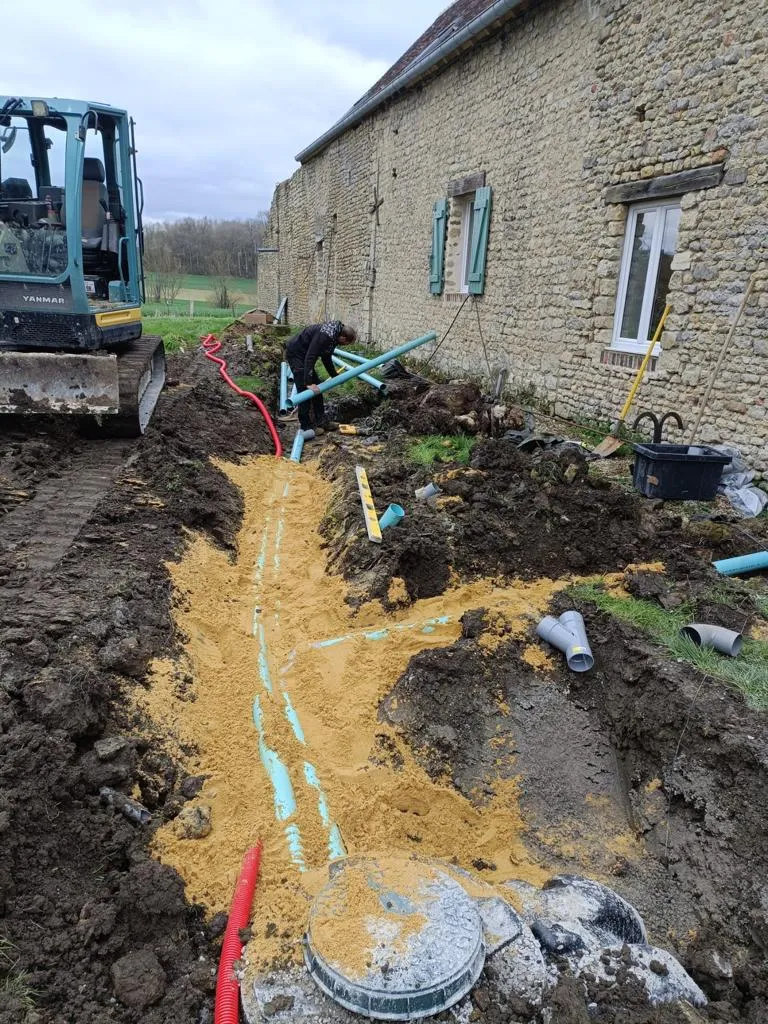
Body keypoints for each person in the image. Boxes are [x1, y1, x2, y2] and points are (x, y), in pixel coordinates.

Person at [285, 320, 358, 434]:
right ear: (343, 338)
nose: (344, 345)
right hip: (297, 354)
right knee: (304, 391)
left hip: (305, 356)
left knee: (318, 390)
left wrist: (334, 375)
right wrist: (308, 382)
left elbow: (326, 357)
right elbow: (311, 356)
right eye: (346, 343)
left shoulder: (334, 336)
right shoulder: (326, 335)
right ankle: (306, 426)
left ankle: (321, 421)